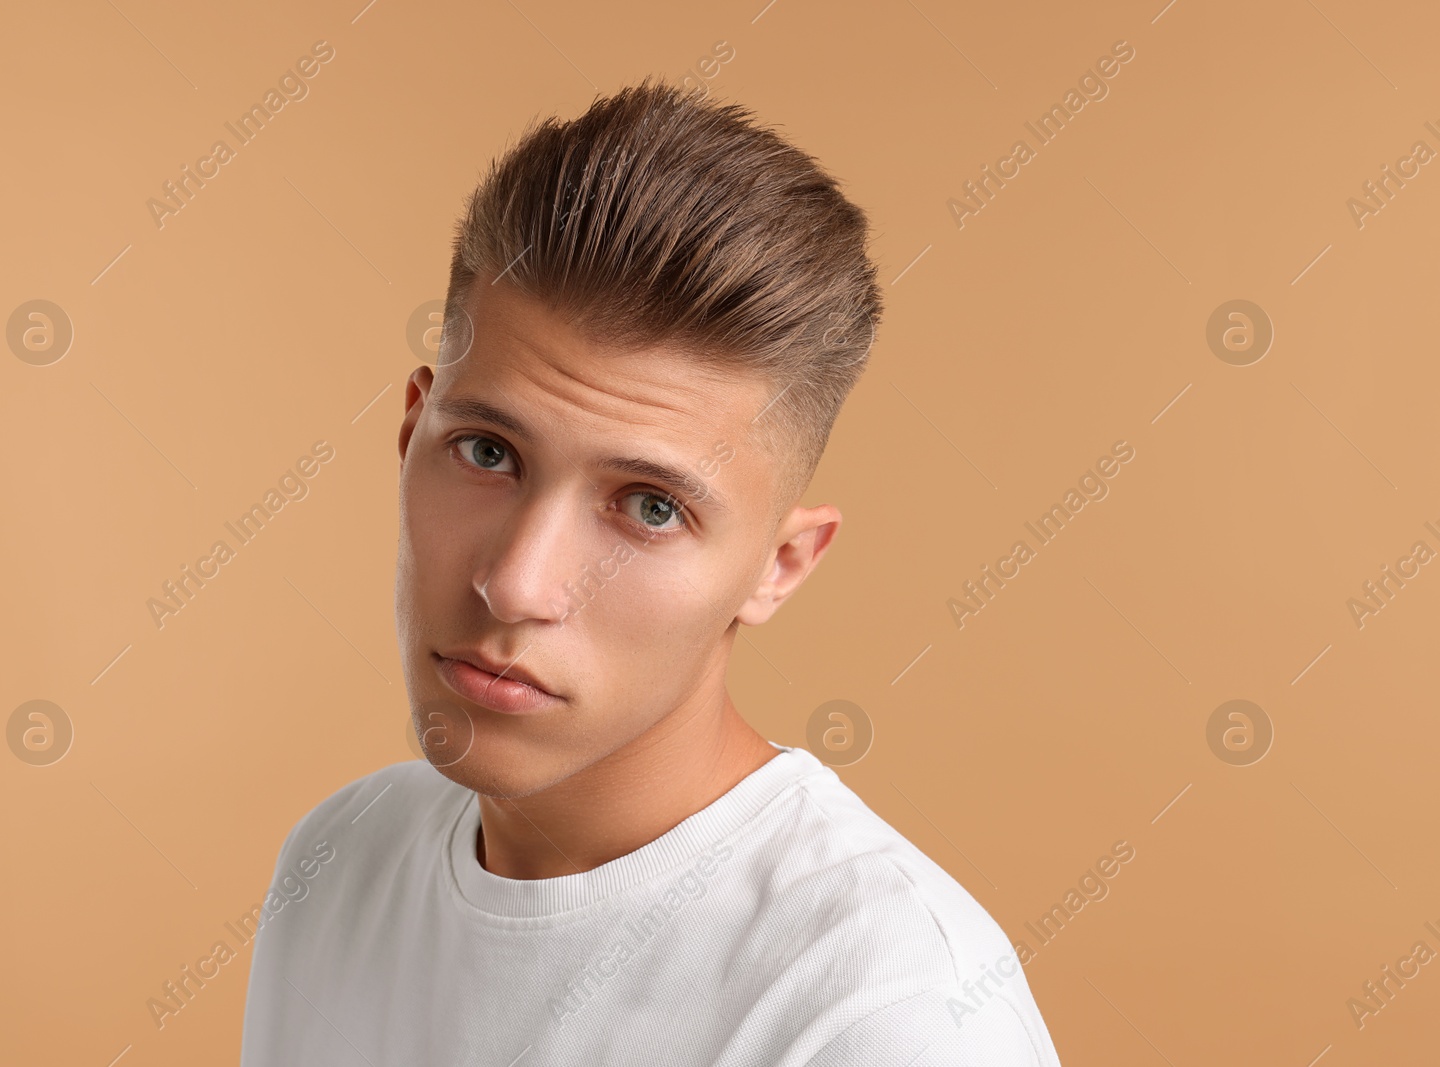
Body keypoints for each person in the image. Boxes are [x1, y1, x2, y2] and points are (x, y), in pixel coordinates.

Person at [239, 75, 1062, 1066]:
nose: (517, 583)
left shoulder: (887, 1014)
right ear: (412, 427)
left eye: (650, 507)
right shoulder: (338, 862)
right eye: (489, 452)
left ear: (778, 565)